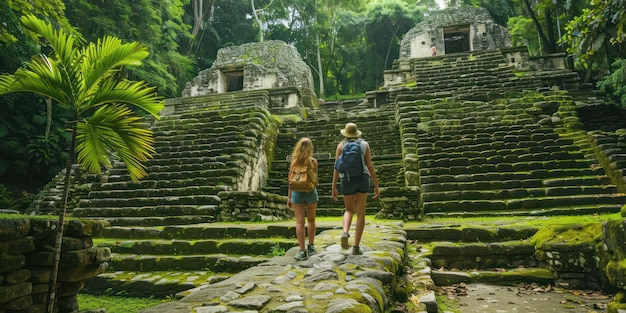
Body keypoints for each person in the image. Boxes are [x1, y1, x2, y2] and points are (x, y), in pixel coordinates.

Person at [331, 123, 379, 255]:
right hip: (362, 178)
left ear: (345, 134)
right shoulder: (364, 145)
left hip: (346, 179)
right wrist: (376, 184)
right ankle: (356, 247)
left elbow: (336, 167)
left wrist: (333, 186)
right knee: (361, 213)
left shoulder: (341, 146)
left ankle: (345, 232)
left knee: (348, 209)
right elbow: (369, 165)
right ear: (357, 133)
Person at [287, 137, 319, 261]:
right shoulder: (313, 161)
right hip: (310, 192)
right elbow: (315, 180)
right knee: (311, 220)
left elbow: (290, 181)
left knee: (300, 222)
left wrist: (289, 197)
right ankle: (311, 246)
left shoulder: (294, 162)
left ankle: (302, 251)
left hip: (296, 193)